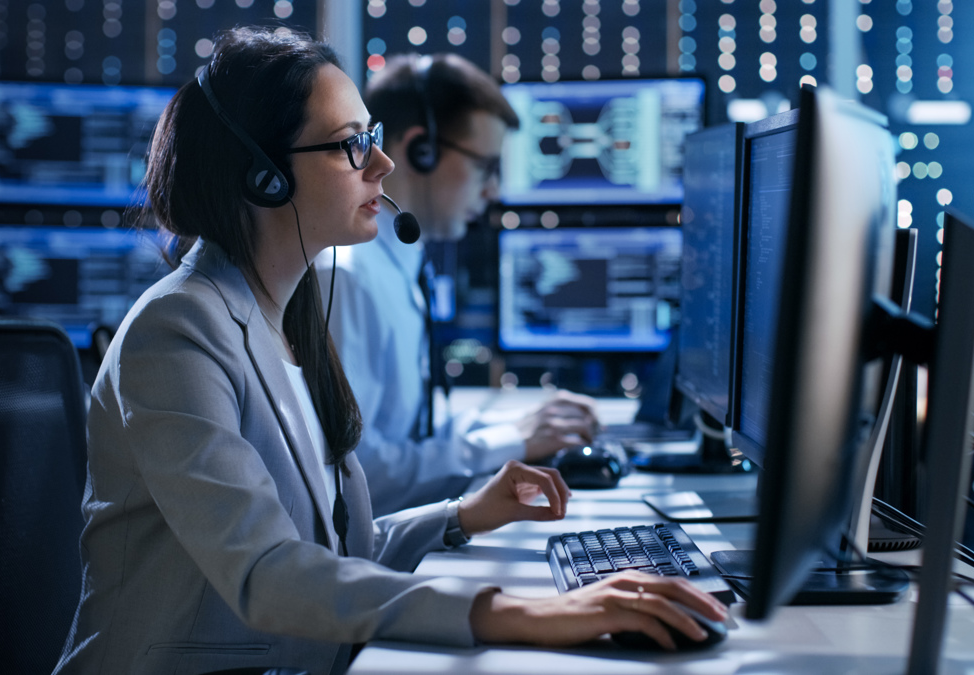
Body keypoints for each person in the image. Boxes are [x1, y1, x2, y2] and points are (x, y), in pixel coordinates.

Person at [52, 27, 728, 675]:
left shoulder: (288, 313)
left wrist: (462, 515)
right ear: (264, 176)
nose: (383, 163)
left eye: (372, 138)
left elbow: (334, 549)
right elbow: (266, 572)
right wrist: (518, 612)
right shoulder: (177, 331)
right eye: (351, 146)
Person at [322, 52, 600, 517]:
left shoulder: (401, 264)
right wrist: (512, 440)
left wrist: (519, 427)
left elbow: (413, 430)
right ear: (420, 151)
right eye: (485, 167)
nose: (493, 191)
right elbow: (358, 476)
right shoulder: (347, 279)